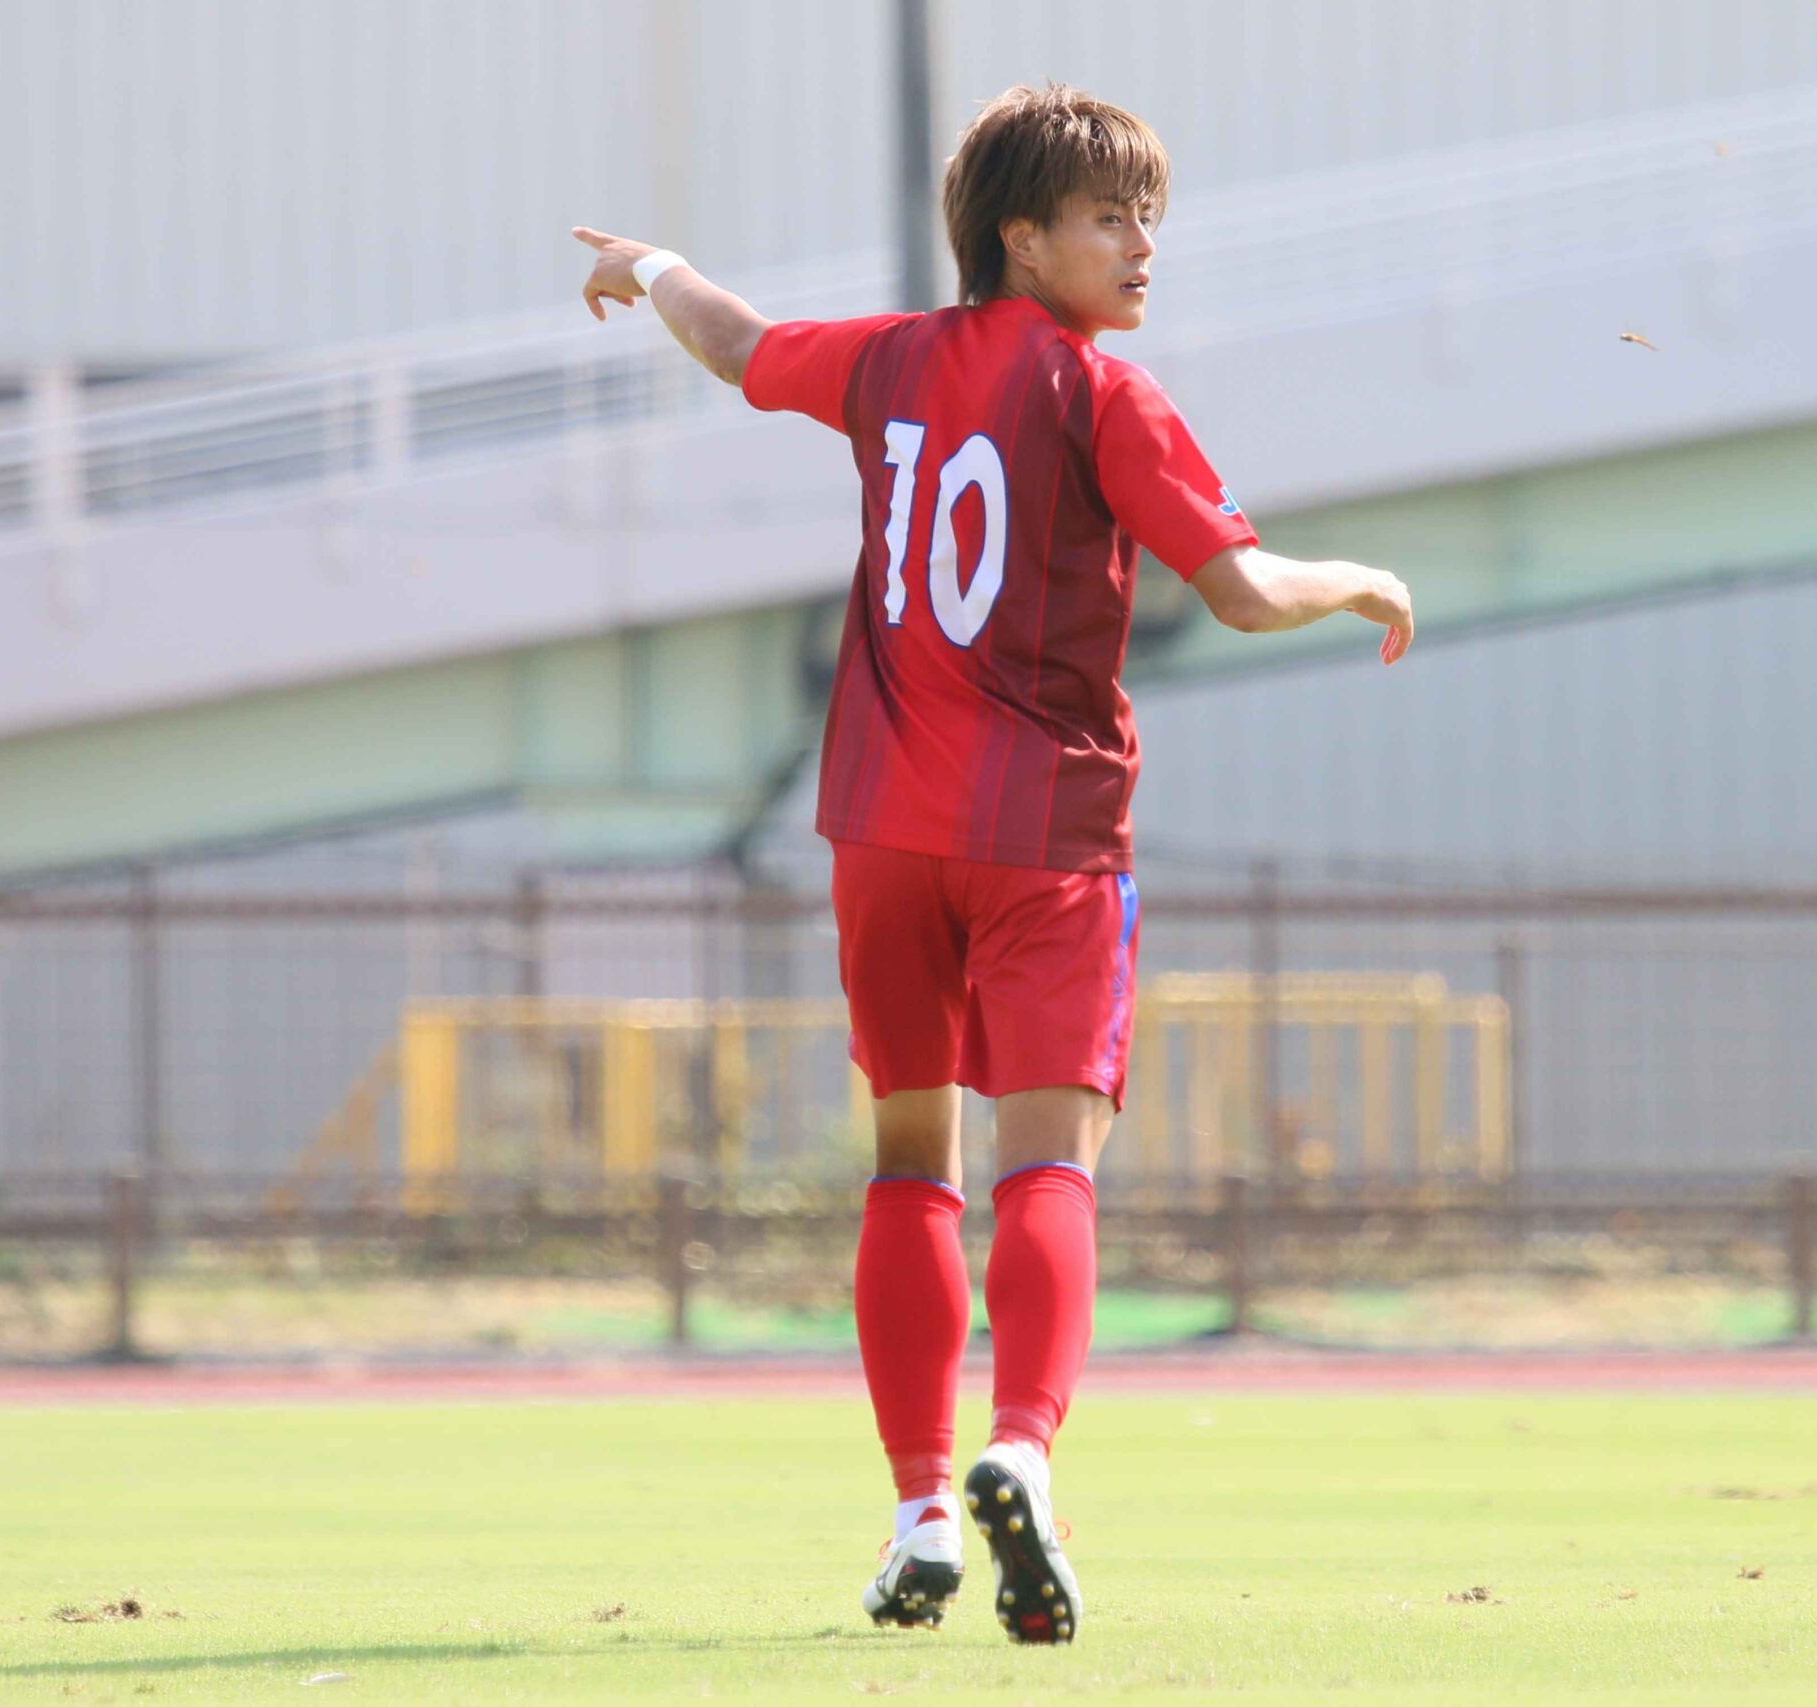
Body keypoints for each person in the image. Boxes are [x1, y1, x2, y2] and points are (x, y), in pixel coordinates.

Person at [573, 82, 1411, 1645]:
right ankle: (1019, 1449)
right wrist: (1357, 575)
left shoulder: (889, 361)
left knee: (910, 1163)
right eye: (1111, 217)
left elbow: (740, 346)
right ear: (1022, 239)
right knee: (1048, 1161)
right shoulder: (1106, 393)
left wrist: (654, 265)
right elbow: (1238, 590)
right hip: (1045, 839)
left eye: (1149, 216)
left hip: (883, 828)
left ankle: (918, 1520)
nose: (1144, 244)